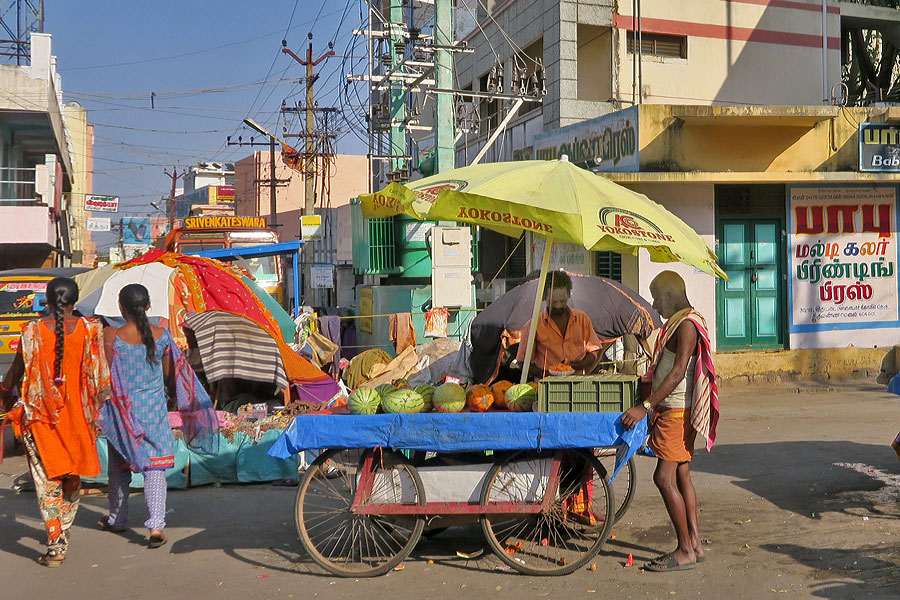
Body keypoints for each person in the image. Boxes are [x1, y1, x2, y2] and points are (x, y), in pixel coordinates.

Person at [0, 277, 111, 567]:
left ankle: (55, 541)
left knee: (46, 480)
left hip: (40, 419)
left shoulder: (32, 332)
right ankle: (63, 533)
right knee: (72, 477)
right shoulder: (90, 330)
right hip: (78, 421)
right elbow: (101, 379)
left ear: (46, 301)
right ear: (75, 301)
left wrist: (4, 396)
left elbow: (15, 373)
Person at [98, 283, 217, 549]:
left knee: (119, 470)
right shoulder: (162, 336)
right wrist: (174, 398)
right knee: (155, 470)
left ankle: (117, 519)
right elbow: (169, 375)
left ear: (121, 308)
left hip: (122, 415)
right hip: (153, 412)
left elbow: (106, 375)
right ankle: (156, 527)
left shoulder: (112, 337)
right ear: (149, 306)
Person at [621, 271, 719, 572]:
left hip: (676, 412)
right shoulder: (681, 323)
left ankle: (685, 549)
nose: (655, 305)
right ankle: (696, 544)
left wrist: (645, 406)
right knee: (681, 476)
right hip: (677, 411)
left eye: (656, 298)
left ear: (670, 296)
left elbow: (677, 372)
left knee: (663, 478)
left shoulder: (687, 325)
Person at [515, 270, 602, 379]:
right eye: (553, 302)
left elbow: (594, 352)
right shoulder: (532, 326)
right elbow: (523, 363)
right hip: (547, 386)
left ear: (569, 295)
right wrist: (549, 374)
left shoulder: (582, 319)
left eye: (562, 301)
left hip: (577, 384)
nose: (558, 306)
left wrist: (578, 365)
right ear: (543, 298)